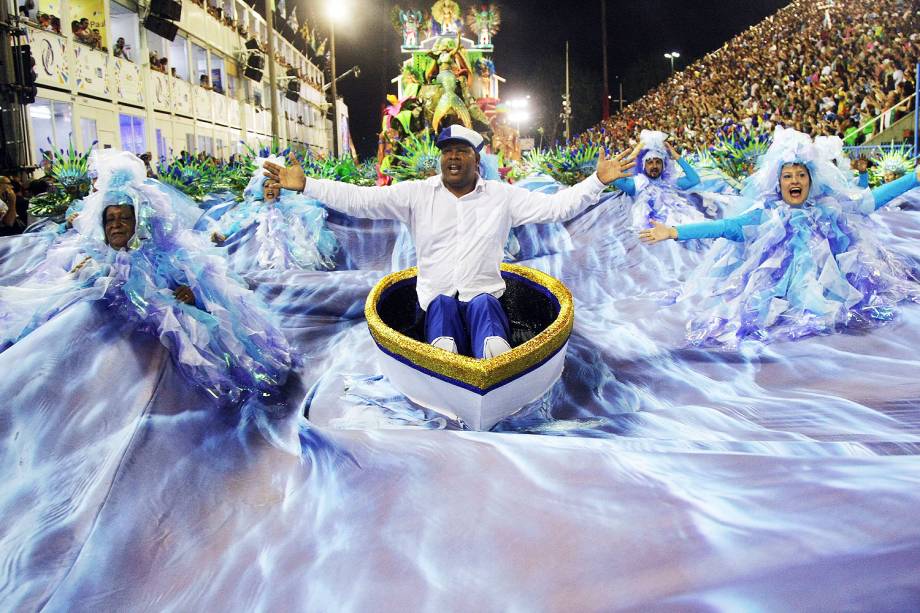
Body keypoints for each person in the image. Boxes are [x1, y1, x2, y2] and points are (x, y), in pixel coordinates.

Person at [264, 124, 635, 359]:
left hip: (484, 299)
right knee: (441, 306)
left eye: (462, 151)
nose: (453, 158)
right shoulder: (416, 194)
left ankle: (496, 361)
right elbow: (362, 200)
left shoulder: (502, 196)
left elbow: (557, 208)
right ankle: (446, 361)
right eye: (447, 152)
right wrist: (307, 185)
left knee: (486, 306)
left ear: (477, 160)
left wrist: (597, 181)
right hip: (433, 305)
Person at [639, 127, 920, 347]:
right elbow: (725, 226)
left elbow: (869, 202)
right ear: (779, 182)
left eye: (800, 175)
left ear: (811, 181)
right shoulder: (765, 214)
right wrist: (674, 232)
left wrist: (913, 179)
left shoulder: (828, 208)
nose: (794, 181)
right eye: (788, 176)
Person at [612, 130, 704, 232]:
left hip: (676, 231)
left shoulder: (670, 183)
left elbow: (694, 179)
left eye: (658, 162)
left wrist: (676, 156)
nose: (654, 166)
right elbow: (615, 177)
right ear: (643, 166)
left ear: (663, 166)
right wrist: (635, 152)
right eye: (650, 163)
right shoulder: (637, 184)